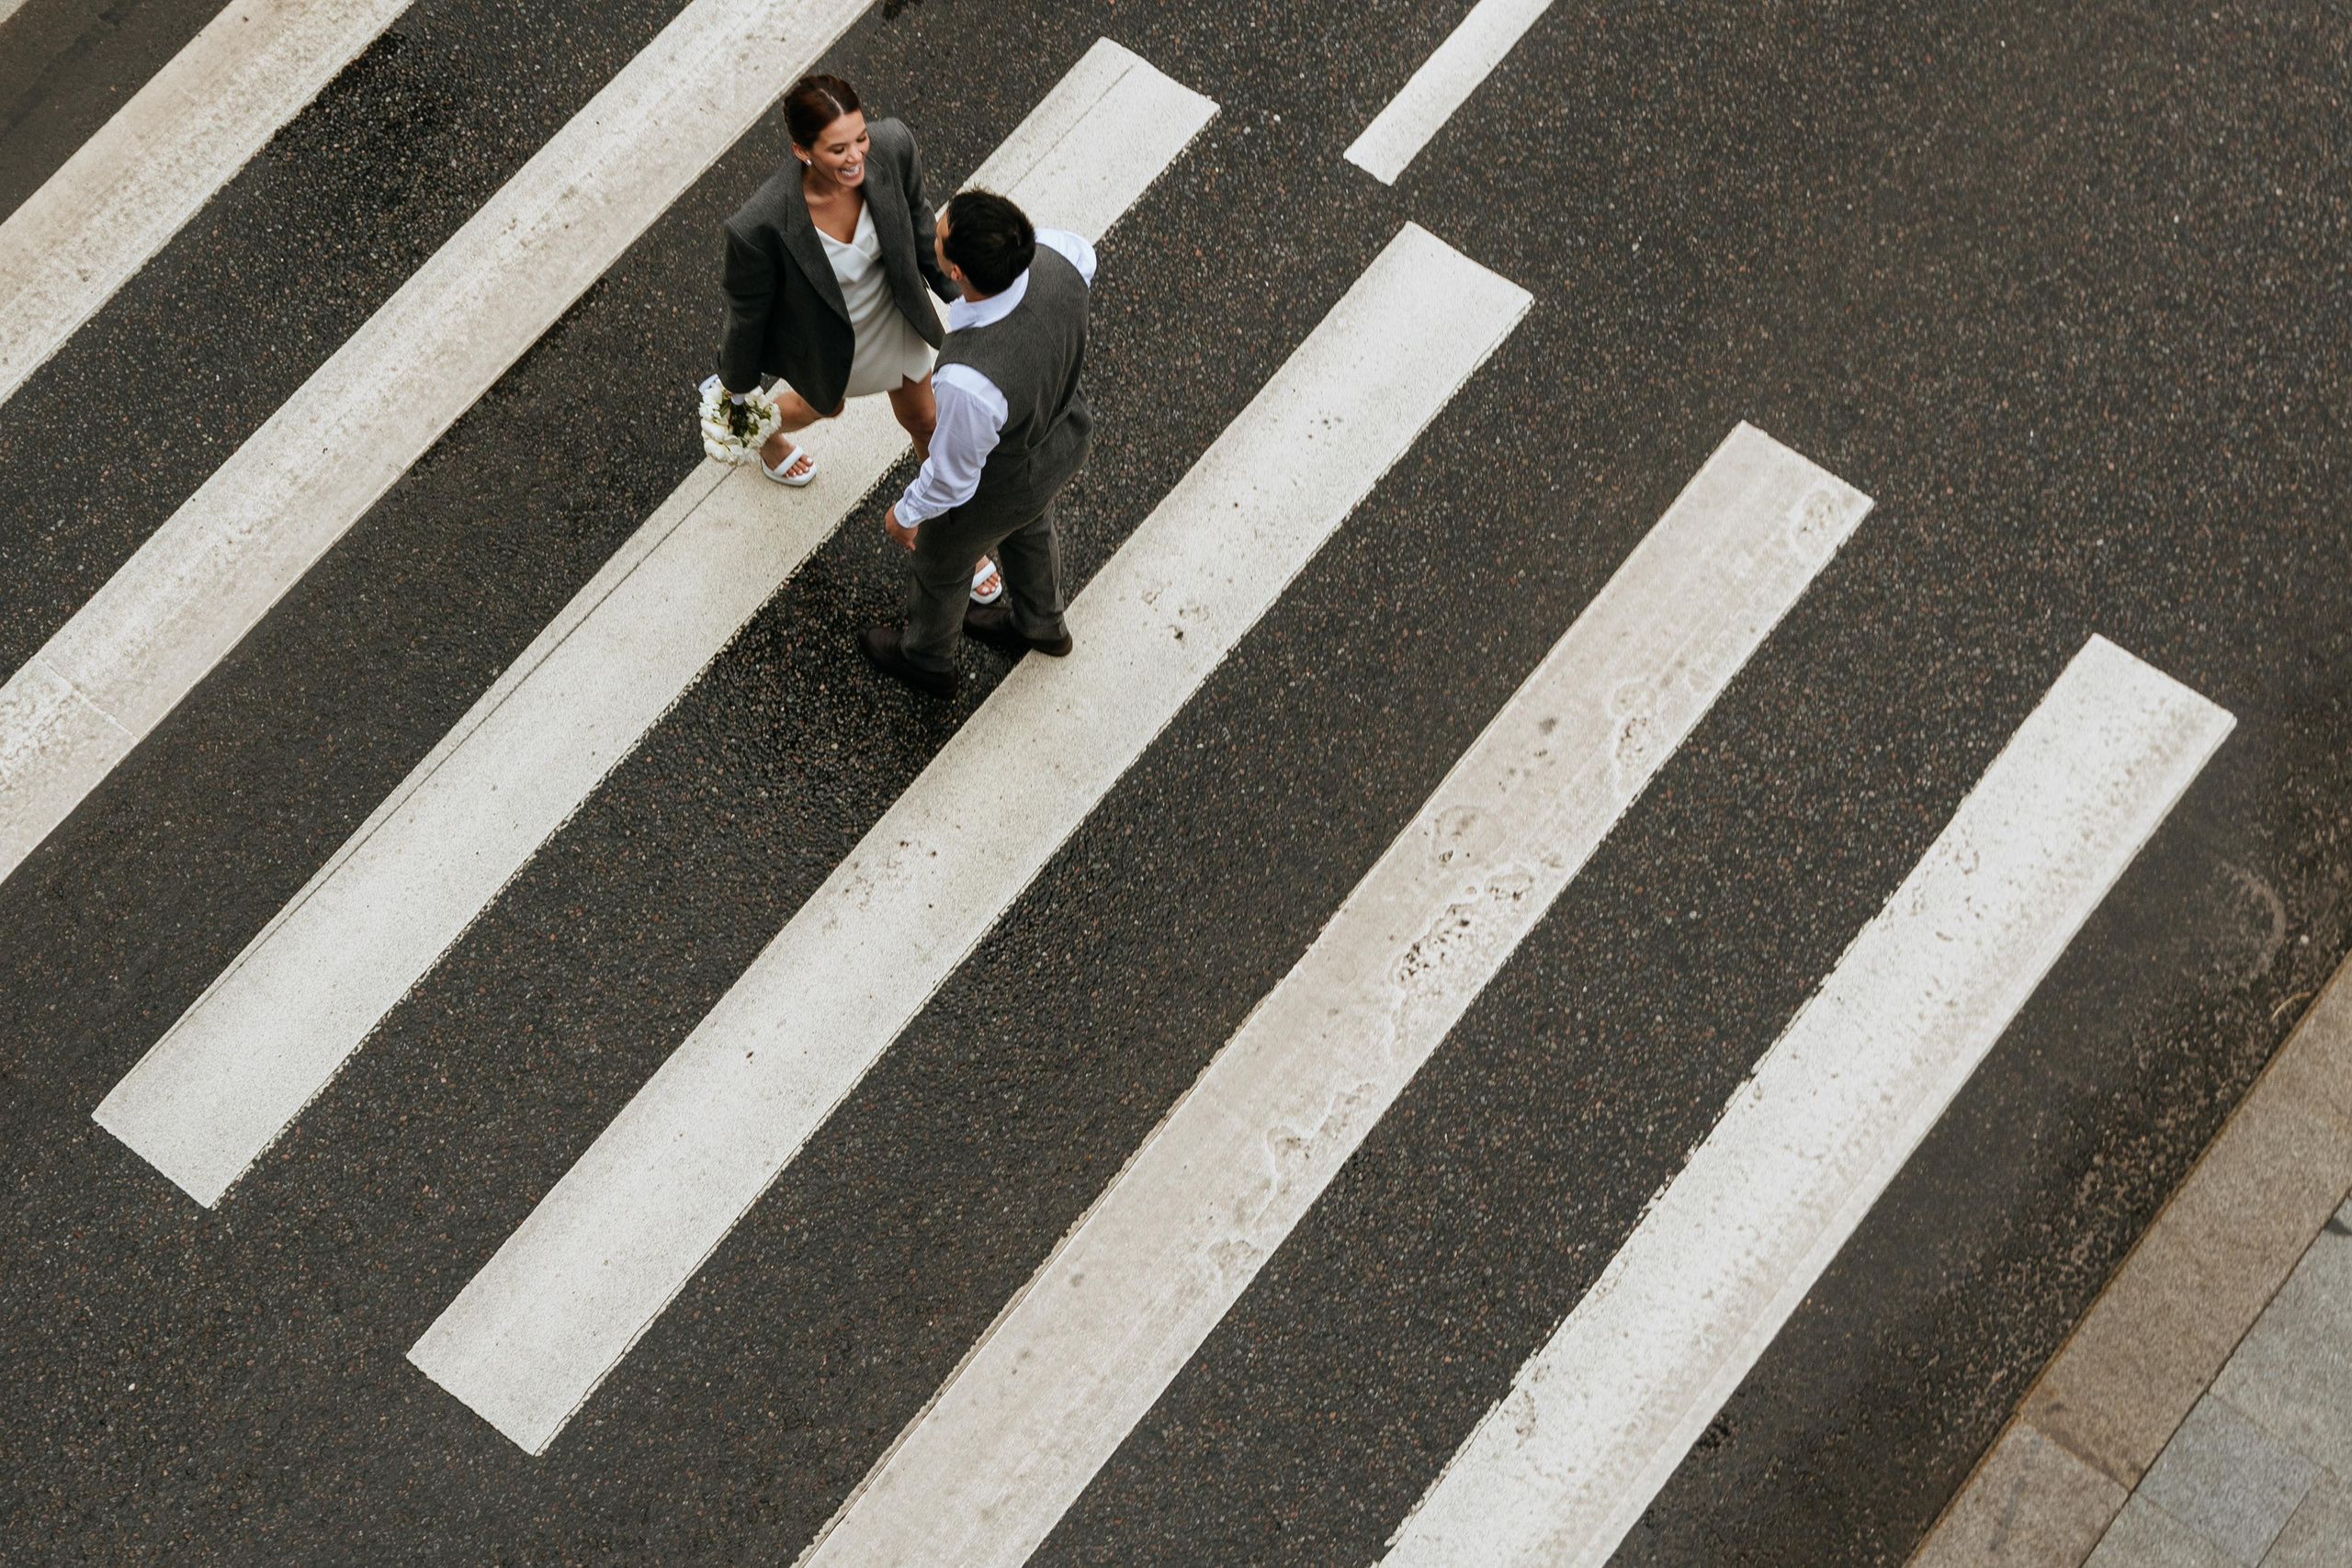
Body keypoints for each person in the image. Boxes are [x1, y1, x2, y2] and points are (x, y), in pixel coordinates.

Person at [717, 74, 1004, 604]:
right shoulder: (759, 224)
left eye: (860, 138)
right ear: (801, 150)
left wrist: (971, 300)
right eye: (837, 148)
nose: (856, 158)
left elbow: (922, 234)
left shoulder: (893, 146)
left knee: (927, 422)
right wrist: (735, 392)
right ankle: (761, 433)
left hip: (895, 319)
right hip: (828, 340)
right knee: (821, 408)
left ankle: (954, 541)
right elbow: (747, 315)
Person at [858, 190, 1096, 699]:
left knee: (941, 563)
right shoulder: (1065, 255)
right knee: (1031, 529)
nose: (933, 230)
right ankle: (1042, 624)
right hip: (1064, 433)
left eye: (938, 234)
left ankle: (926, 659)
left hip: (1007, 480)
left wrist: (906, 513)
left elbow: (952, 477)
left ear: (958, 271)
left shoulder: (969, 380)